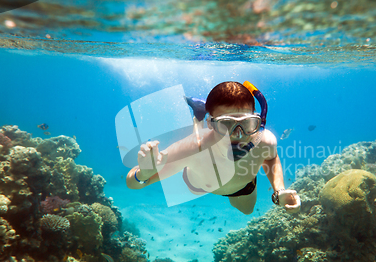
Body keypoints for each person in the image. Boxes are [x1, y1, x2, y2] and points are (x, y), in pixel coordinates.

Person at [126, 81, 301, 214]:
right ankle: (199, 116)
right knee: (194, 145)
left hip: (242, 187)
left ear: (256, 120)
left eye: (246, 124)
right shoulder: (193, 148)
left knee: (247, 211)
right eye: (225, 124)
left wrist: (279, 190)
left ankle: (201, 111)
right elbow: (132, 183)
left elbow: (271, 158)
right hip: (197, 185)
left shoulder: (265, 141)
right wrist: (144, 173)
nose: (238, 135)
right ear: (211, 124)